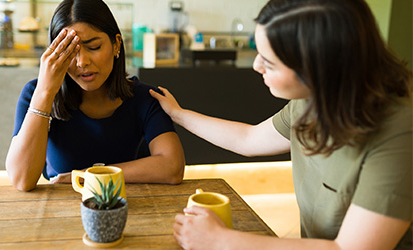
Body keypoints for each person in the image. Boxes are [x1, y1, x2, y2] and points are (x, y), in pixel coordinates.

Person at [150, 0, 412, 249]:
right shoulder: (313, 101)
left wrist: (222, 241)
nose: (256, 65)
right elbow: (248, 139)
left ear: (318, 70)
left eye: (269, 61)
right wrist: (178, 114)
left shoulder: (400, 133)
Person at [6, 0, 185, 192]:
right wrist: (45, 92)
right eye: (70, 52)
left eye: (94, 47)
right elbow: (21, 180)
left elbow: (172, 168)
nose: (82, 62)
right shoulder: (36, 93)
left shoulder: (145, 98)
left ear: (116, 44)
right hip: (59, 212)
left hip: (129, 208)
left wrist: (87, 176)